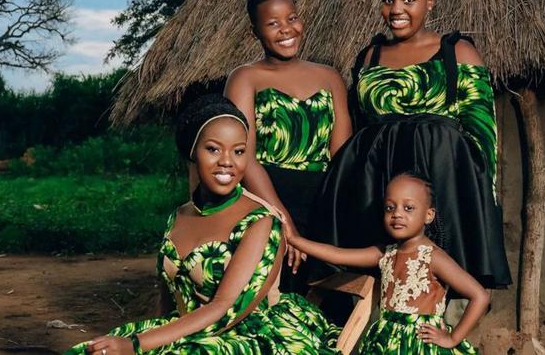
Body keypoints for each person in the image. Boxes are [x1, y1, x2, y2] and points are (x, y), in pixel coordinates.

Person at [65, 95, 340, 355]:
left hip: (245, 334)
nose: (227, 162)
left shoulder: (261, 222)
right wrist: (143, 339)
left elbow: (226, 308)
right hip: (185, 329)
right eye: (213, 149)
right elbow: (166, 299)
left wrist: (137, 344)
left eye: (239, 151)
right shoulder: (179, 216)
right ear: (193, 152)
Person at [313, 0, 511, 290]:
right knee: (377, 276)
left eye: (408, 0)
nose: (396, 10)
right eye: (388, 0)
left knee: (435, 280)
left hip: (441, 181)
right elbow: (360, 126)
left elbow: (482, 131)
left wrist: (476, 197)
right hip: (376, 184)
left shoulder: (457, 52)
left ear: (429, 2)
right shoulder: (369, 56)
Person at [225, 0, 352, 294]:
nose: (286, 30)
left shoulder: (330, 77)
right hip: (268, 196)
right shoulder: (245, 78)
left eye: (292, 18)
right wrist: (283, 221)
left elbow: (343, 157)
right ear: (255, 31)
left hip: (324, 200)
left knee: (332, 294)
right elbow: (244, 157)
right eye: (272, 23)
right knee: (279, 291)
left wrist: (340, 217)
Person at [287, 172, 486, 354]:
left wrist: (452, 338)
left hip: (419, 345)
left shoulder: (434, 257)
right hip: (383, 343)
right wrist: (295, 240)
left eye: (408, 208)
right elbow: (337, 254)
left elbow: (480, 296)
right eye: (390, 207)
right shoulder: (384, 253)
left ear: (429, 215)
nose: (397, 214)